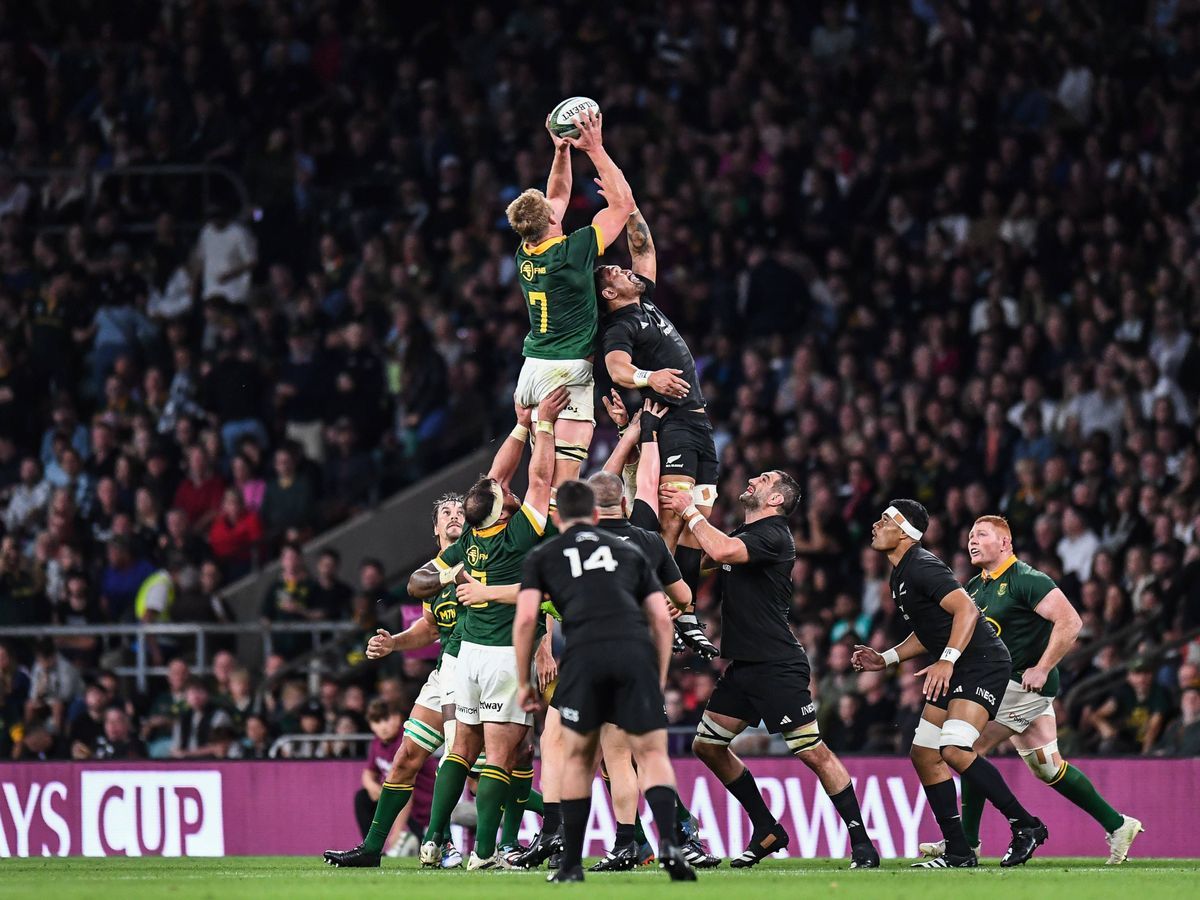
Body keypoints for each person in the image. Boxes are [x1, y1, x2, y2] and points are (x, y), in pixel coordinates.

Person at [660, 471, 880, 869]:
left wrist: (690, 510)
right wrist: (678, 592)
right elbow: (705, 556)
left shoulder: (775, 534)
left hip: (778, 664)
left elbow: (721, 551)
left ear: (776, 499)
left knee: (812, 751)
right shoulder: (745, 538)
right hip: (744, 665)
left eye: (763, 479)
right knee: (707, 745)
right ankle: (766, 828)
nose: (752, 479)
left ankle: (862, 842)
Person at [918, 515, 1143, 865]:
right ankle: (1118, 825)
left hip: (1023, 684)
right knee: (1047, 767)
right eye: (969, 535)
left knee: (966, 746)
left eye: (981, 534)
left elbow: (1070, 621)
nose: (971, 541)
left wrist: (1043, 667)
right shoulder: (976, 587)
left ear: (1005, 543)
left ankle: (967, 842)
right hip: (1008, 685)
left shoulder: (1026, 579)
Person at [408, 388, 566, 869]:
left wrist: (519, 424)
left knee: (462, 748)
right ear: (501, 510)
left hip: (468, 654)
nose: (505, 487)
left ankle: (434, 841)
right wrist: (544, 424)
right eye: (502, 493)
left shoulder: (472, 534)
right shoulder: (520, 533)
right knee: (501, 755)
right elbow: (540, 476)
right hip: (501, 654)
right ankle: (485, 853)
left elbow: (494, 481)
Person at [513, 479, 695, 883]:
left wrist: (523, 682)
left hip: (584, 657)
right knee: (650, 755)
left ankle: (571, 864)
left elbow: (526, 618)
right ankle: (669, 845)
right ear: (597, 516)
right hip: (634, 655)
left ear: (559, 517)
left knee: (579, 758)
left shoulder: (544, 555)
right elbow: (665, 616)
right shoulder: (632, 550)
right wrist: (659, 674)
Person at [853, 499, 1047, 869]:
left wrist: (947, 660)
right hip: (960, 662)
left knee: (955, 749)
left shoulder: (922, 566)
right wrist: (887, 658)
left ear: (906, 531)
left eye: (884, 520)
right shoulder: (901, 573)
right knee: (924, 754)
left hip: (981, 662)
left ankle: (1026, 825)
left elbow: (967, 610)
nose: (875, 525)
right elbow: (931, 631)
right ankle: (959, 851)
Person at [596, 206, 720, 656]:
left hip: (699, 424)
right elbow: (616, 367)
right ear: (609, 291)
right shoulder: (620, 325)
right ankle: (660, 609)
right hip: (674, 426)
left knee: (695, 521)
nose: (625, 268)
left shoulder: (643, 303)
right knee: (671, 514)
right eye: (615, 271)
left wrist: (624, 201)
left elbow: (643, 244)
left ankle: (681, 611)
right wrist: (650, 379)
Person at [325, 492, 469, 868]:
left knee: (481, 770)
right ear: (436, 527)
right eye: (446, 513)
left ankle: (538, 832)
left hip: (480, 670)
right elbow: (430, 628)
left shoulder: (482, 558)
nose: (454, 516)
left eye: (460, 511)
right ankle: (373, 847)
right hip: (445, 671)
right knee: (406, 757)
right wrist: (394, 643)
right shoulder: (429, 575)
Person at [506, 109, 635, 485]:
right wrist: (594, 148)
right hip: (564, 371)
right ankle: (560, 541)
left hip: (532, 369)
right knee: (560, 486)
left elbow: (557, 194)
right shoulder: (570, 253)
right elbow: (623, 206)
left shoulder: (526, 252)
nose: (554, 205)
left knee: (544, 480)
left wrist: (561, 151)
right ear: (549, 221)